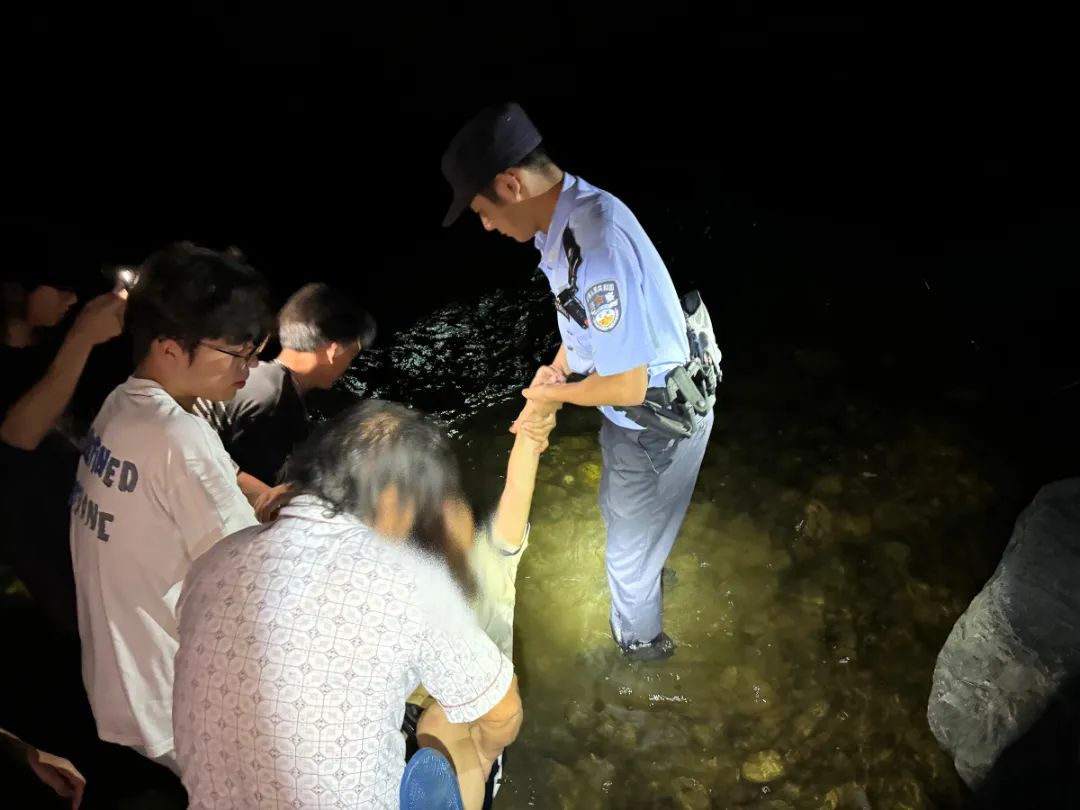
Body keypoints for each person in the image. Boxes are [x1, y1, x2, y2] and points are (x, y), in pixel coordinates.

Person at [441, 102, 716, 662]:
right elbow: (585, 325)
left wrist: (553, 397)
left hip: (656, 419)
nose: (487, 226)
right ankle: (648, 577)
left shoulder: (597, 244)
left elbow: (628, 385)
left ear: (511, 184)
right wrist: (560, 369)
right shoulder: (566, 222)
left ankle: (642, 654)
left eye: (483, 212)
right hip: (637, 417)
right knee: (622, 521)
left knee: (626, 558)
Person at [173, 400, 524, 810]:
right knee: (451, 722)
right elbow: (502, 713)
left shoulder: (213, 562)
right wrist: (482, 762)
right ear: (392, 497)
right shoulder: (407, 578)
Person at [69, 242, 274, 774]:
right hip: (184, 707)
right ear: (169, 349)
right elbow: (254, 577)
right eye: (237, 353)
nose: (250, 367)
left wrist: (265, 494)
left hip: (122, 684)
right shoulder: (179, 437)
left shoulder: (121, 404)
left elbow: (215, 475)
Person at [406, 395, 559, 808]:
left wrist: (532, 428)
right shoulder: (403, 573)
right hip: (428, 717)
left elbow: (517, 489)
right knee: (439, 727)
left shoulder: (491, 556)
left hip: (479, 718)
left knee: (446, 727)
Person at [0, 275, 126, 636]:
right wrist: (82, 337)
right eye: (60, 287)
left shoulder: (44, 346)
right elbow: (18, 436)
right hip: (29, 556)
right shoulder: (61, 347)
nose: (71, 299)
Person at [195, 282, 376, 517]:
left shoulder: (263, 381)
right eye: (351, 355)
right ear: (334, 351)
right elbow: (251, 494)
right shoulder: (273, 399)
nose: (348, 366)